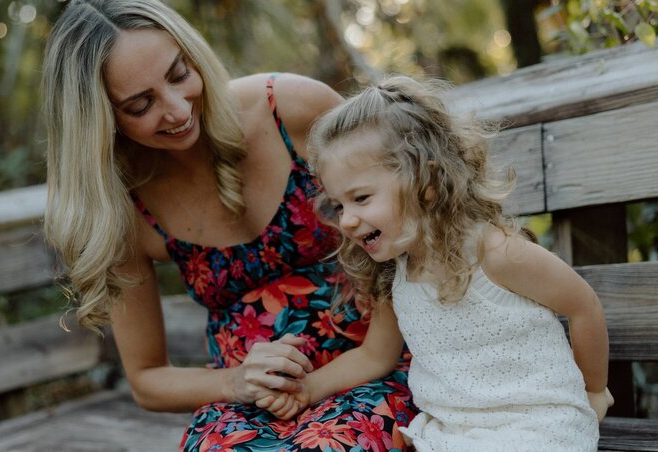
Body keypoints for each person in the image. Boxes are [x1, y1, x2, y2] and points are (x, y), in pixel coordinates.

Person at [42, 0, 416, 451]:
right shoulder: (124, 208)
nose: (177, 110)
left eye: (180, 74)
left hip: (374, 360)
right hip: (250, 400)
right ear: (101, 120)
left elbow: (411, 215)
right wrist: (235, 383)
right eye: (140, 105)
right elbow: (146, 379)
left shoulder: (292, 109)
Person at [255, 75, 614, 451]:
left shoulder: (494, 252)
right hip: (454, 432)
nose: (346, 220)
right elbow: (374, 356)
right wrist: (308, 387)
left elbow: (583, 305)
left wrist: (593, 390)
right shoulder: (397, 272)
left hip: (537, 426)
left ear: (425, 181)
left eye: (361, 198)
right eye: (339, 205)